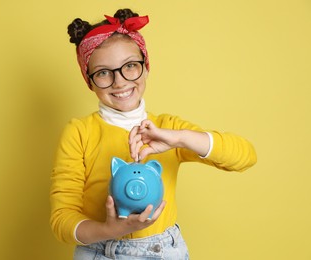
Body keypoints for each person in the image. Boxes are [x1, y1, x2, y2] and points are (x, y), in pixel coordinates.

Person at [50, 8, 257, 259]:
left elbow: (246, 156)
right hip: (98, 250)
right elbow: (62, 218)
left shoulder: (167, 128)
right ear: (89, 80)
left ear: (146, 67)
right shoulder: (79, 132)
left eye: (130, 66)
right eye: (103, 72)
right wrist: (107, 229)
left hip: (162, 251)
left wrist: (179, 138)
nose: (120, 82)